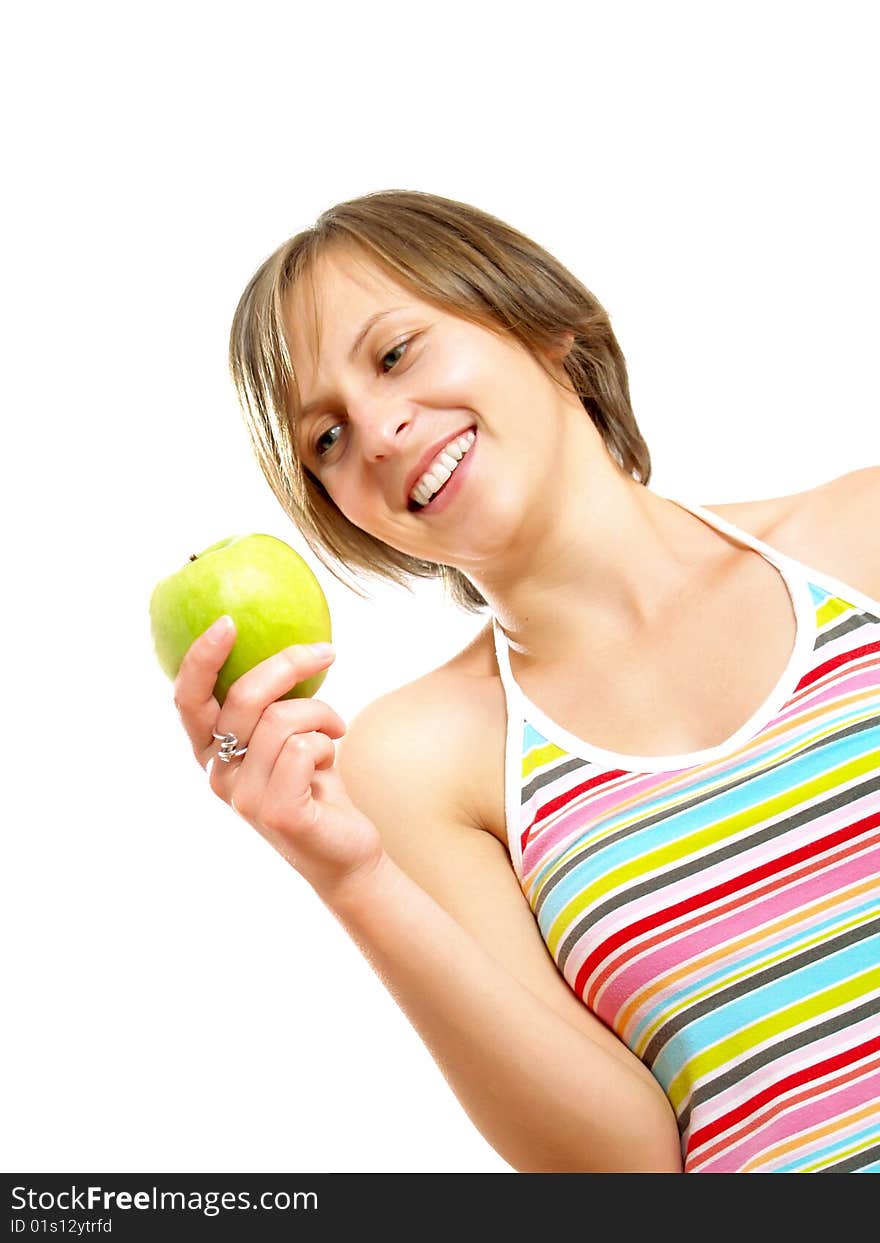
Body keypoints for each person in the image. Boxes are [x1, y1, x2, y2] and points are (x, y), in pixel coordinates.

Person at [173, 189, 880, 1173]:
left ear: (544, 324)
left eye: (393, 354)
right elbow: (625, 1167)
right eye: (325, 439)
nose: (376, 431)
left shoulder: (862, 544)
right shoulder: (419, 763)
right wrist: (350, 877)